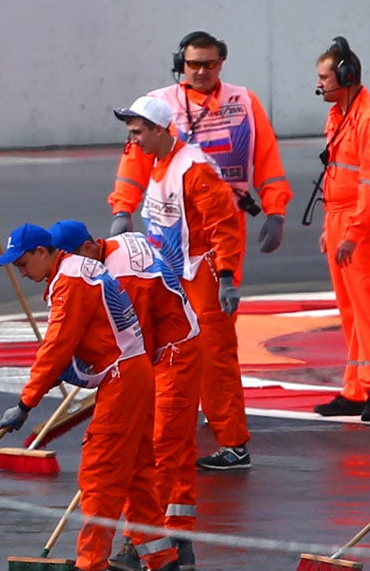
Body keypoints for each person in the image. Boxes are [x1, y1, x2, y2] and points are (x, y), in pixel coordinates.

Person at [105, 33, 289, 473]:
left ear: (221, 63)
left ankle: (232, 441)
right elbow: (132, 170)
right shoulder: (157, 127)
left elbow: (251, 182)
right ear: (180, 64)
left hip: (203, 261)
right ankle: (171, 430)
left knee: (213, 348)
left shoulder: (209, 145)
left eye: (208, 64)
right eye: (192, 64)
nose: (200, 71)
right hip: (171, 261)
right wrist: (121, 213)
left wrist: (271, 215)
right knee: (170, 346)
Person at [0, 224, 173, 571]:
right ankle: (161, 559)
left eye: (24, 263)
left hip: (123, 377)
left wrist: (26, 402)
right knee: (137, 471)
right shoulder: (76, 271)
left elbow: (57, 345)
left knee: (100, 472)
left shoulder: (71, 280)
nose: (22, 272)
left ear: (44, 252)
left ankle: (92, 567)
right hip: (130, 372)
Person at [50, 219, 201, 569]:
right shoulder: (121, 243)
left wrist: (122, 393)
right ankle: (178, 536)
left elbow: (133, 342)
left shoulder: (125, 279)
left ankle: (142, 544)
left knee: (159, 447)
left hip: (172, 353)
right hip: (179, 343)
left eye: (78, 258)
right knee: (178, 444)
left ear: (89, 247)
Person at [112, 94, 249, 471]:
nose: (133, 140)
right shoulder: (158, 162)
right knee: (171, 356)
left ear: (159, 129)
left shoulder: (193, 167)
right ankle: (165, 434)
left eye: (138, 132)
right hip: (173, 276)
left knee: (214, 358)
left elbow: (223, 225)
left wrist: (226, 277)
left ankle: (234, 444)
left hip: (201, 275)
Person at [310, 37, 370, 421]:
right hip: (340, 217)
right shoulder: (340, 114)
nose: (320, 85)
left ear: (345, 76)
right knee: (350, 310)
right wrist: (333, 227)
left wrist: (353, 233)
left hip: (365, 223)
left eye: (325, 77)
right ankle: (356, 388)